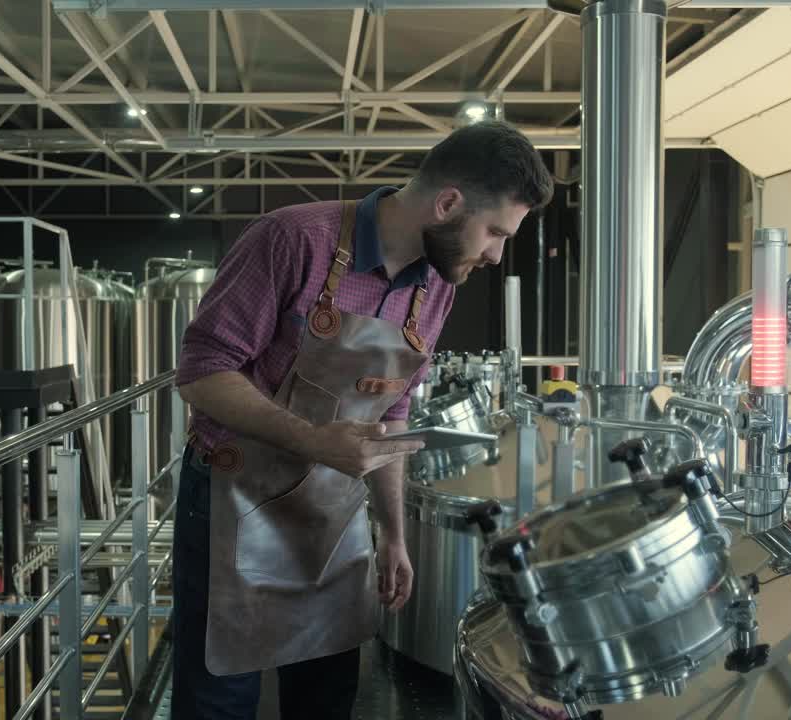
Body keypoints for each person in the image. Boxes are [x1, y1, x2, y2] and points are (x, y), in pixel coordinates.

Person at [170, 120, 553, 719]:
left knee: (326, 696)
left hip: (331, 512)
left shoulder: (436, 285)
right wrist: (315, 440)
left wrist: (393, 533)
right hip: (231, 499)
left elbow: (393, 412)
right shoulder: (295, 238)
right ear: (448, 203)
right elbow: (201, 370)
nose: (496, 255)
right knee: (219, 696)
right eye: (495, 232)